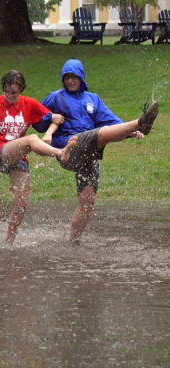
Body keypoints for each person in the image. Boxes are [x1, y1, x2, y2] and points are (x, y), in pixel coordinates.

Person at [33, 59, 159, 243]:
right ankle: (140, 122)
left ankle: (72, 241)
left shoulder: (93, 99)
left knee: (87, 201)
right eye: (66, 78)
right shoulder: (55, 97)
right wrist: (51, 116)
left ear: (81, 78)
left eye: (73, 77)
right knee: (101, 133)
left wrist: (131, 133)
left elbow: (112, 121)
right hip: (69, 146)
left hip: (89, 154)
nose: (70, 81)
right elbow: (37, 121)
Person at [0, 70, 77, 245]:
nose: (10, 96)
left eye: (14, 93)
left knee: (21, 204)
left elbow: (55, 118)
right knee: (32, 139)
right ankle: (59, 152)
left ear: (21, 90)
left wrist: (49, 132)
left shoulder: (29, 104)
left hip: (18, 158)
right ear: (3, 88)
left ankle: (8, 242)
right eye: (7, 92)